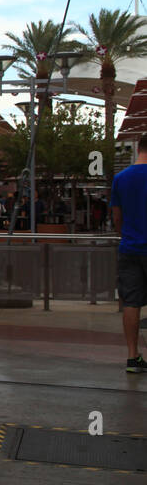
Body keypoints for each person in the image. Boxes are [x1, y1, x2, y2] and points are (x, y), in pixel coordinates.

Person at [110, 137, 147, 373]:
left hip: (130, 248)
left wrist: (125, 233)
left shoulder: (121, 178)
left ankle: (132, 357)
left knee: (131, 303)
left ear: (138, 149)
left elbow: (116, 216)